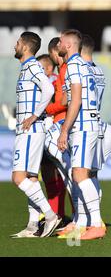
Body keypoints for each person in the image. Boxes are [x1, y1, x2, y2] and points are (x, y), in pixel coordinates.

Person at [10, 31, 60, 238]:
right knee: (30, 177)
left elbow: (48, 89)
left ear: (25, 45)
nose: (14, 45)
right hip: (27, 130)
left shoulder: (32, 66)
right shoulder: (26, 68)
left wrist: (33, 115)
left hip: (31, 130)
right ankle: (32, 226)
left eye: (17, 42)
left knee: (18, 177)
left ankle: (50, 216)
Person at [56, 29, 104, 240]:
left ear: (68, 45)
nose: (58, 43)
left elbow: (76, 100)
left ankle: (96, 224)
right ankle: (84, 222)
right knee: (80, 174)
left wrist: (64, 130)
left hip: (83, 125)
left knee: (79, 175)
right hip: (88, 124)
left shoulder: (74, 65)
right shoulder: (84, 65)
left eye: (60, 41)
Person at [81, 34, 111, 227]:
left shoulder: (81, 70)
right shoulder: (99, 71)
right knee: (92, 174)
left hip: (85, 125)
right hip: (99, 124)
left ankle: (89, 219)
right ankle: (94, 219)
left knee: (81, 174)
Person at [36, 54, 67, 221]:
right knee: (48, 172)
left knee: (60, 173)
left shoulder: (55, 82)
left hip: (54, 130)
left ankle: (59, 213)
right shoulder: (42, 82)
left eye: (40, 68)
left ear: (48, 68)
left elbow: (60, 103)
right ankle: (54, 213)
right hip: (42, 131)